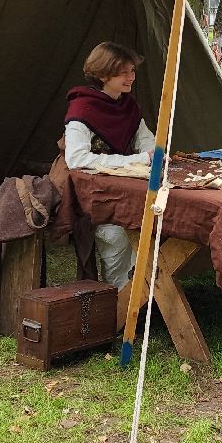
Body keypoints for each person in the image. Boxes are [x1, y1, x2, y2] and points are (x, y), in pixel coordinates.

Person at [64, 43, 155, 287]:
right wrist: (136, 160)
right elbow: (76, 159)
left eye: (132, 71)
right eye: (123, 72)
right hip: (94, 196)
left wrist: (154, 153)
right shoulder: (82, 108)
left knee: (153, 224)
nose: (130, 77)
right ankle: (119, 299)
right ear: (103, 74)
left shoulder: (128, 105)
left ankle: (144, 292)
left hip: (125, 189)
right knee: (115, 237)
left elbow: (144, 139)